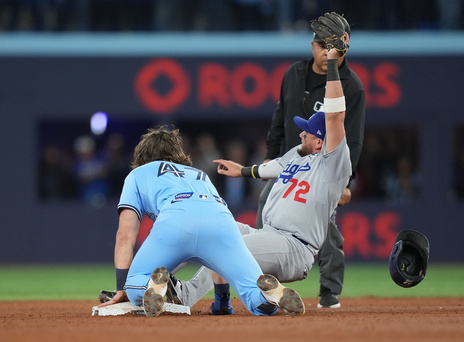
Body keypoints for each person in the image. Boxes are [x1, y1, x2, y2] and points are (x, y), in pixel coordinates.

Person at [172, 38, 353, 313]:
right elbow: (273, 168)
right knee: (209, 227)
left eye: (308, 132)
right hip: (269, 235)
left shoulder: (332, 166)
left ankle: (183, 295)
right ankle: (234, 298)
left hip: (295, 246)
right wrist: (242, 171)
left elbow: (335, 117)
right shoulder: (298, 154)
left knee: (226, 246)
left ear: (321, 142)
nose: (301, 132)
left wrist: (331, 64)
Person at [97, 125, 305, 317]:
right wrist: (222, 302)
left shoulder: (138, 174)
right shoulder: (199, 175)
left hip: (175, 221)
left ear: (141, 155)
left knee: (135, 286)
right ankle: (267, 296)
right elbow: (211, 234)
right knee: (252, 291)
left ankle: (154, 286)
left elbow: (125, 236)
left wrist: (121, 289)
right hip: (221, 221)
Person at [257, 13, 365, 308]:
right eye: (317, 43)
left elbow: (352, 138)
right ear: (313, 45)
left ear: (339, 49)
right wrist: (270, 155)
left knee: (324, 227)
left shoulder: (350, 86)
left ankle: (329, 290)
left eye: (325, 44)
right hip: (290, 163)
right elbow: (279, 117)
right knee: (265, 205)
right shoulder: (294, 73)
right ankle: (266, 280)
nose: (320, 49)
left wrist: (345, 179)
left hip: (322, 170)